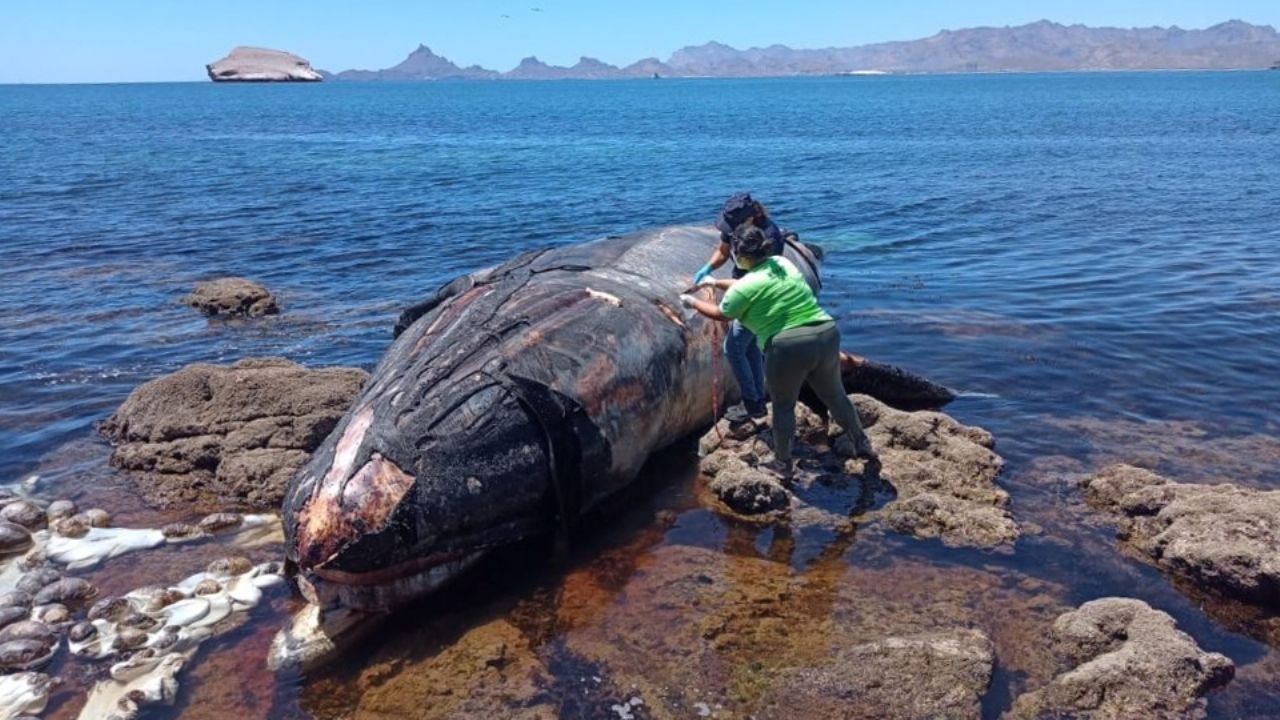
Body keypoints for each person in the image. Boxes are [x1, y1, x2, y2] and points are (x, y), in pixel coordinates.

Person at [681, 225, 876, 480]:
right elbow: (749, 282)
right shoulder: (781, 263)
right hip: (825, 332)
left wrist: (692, 302)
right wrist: (715, 281)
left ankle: (783, 464)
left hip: (787, 346)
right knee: (835, 395)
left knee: (783, 406)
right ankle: (861, 442)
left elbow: (723, 313)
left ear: (739, 255)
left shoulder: (743, 288)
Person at [693, 193, 786, 422]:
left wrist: (696, 300)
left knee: (734, 348)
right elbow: (724, 250)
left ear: (751, 219)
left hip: (757, 295)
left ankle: (752, 403)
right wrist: (707, 268)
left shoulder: (770, 236)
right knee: (750, 347)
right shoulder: (735, 227)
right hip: (742, 287)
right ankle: (757, 398)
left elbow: (759, 282)